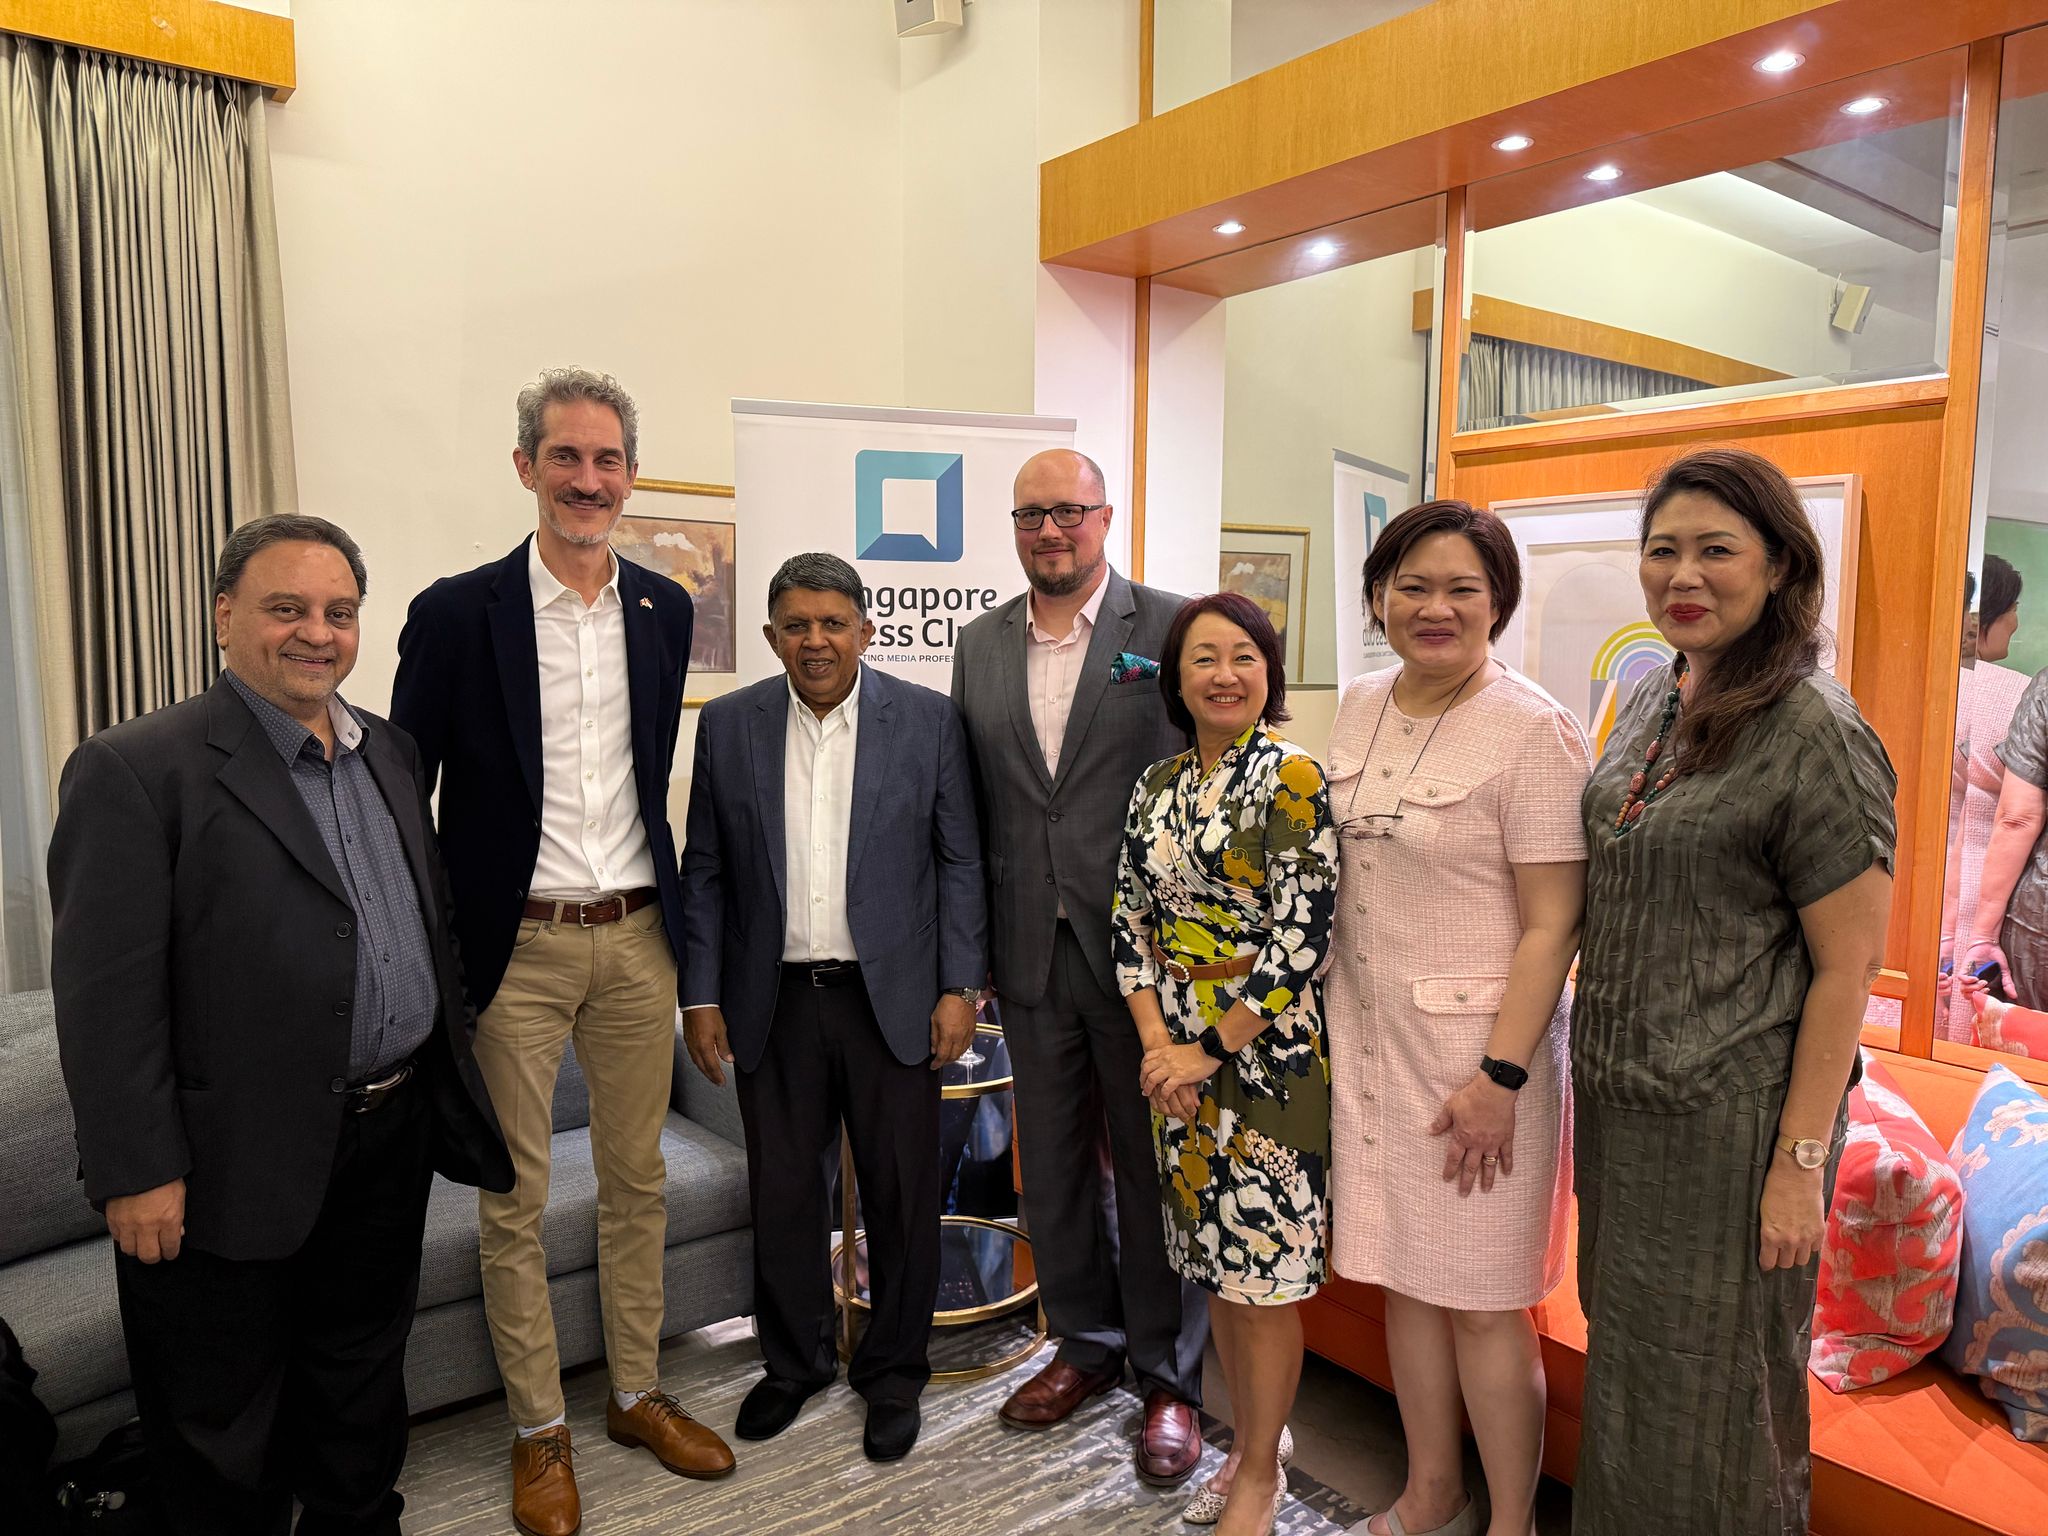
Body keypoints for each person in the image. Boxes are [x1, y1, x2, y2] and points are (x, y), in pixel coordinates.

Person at [47, 515, 513, 1535]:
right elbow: (103, 997)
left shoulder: (390, 751)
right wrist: (136, 1168)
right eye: (287, 608)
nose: (317, 633)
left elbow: (425, 921)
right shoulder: (135, 768)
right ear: (224, 616)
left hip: (387, 1138)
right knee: (220, 1424)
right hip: (225, 1160)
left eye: (339, 612)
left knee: (360, 1385)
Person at [390, 368, 729, 1536]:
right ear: (526, 466)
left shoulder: (665, 609)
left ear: (630, 475)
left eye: (607, 459)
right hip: (515, 951)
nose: (588, 479)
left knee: (639, 1183)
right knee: (514, 1199)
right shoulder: (455, 614)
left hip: (635, 938)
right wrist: (435, 956)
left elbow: (647, 772)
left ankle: (635, 1393)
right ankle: (538, 1429)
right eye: (566, 457)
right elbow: (405, 798)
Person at [1571, 446, 1895, 1536]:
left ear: (1778, 564)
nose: (1683, 575)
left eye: (1715, 550)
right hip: (1624, 1120)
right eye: (1662, 550)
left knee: (1717, 1405)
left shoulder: (1815, 729)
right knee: (1632, 1388)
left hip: (1733, 1133)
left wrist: (1798, 1166)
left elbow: (1848, 968)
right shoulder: (1653, 694)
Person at [679, 553, 987, 1463]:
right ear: (771, 635)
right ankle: (795, 1362)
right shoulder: (729, 724)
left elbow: (960, 861)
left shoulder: (927, 721)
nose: (815, 641)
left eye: (833, 623)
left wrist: (960, 988)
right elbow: (706, 870)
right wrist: (701, 993)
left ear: (865, 629)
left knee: (900, 1196)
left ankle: (893, 1373)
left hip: (892, 1001)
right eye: (796, 625)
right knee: (782, 1194)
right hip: (772, 1000)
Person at [1319, 501, 1588, 1536]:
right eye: (1412, 587)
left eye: (1461, 590)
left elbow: (1554, 923)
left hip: (1480, 1067)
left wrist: (1500, 1079)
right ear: (1379, 597)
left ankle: (1512, 1522)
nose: (1435, 608)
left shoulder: (1531, 729)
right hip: (1370, 1052)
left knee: (1481, 1303)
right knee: (1405, 1285)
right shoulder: (1358, 705)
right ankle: (1431, 1493)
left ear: (1497, 604)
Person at [949, 448, 1208, 1482]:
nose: (1049, 531)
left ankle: (1168, 1378)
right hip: (1027, 949)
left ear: (1104, 517)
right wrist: (968, 955)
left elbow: (1208, 773)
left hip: (1148, 959)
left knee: (1151, 1172)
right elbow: (973, 807)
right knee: (1050, 1171)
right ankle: (1085, 1348)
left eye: (1068, 511)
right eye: (1030, 515)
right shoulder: (978, 644)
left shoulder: (1172, 626)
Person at [1115, 591, 1337, 1536]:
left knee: (1263, 1279)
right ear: (1176, 678)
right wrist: (1158, 1049)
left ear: (1269, 672)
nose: (1225, 674)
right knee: (1216, 1268)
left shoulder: (1292, 776)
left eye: (1244, 655)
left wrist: (1204, 1052)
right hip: (1174, 1054)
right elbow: (1129, 924)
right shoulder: (1156, 785)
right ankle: (1257, 1442)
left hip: (1265, 1056)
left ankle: (1256, 1473)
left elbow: (1301, 942)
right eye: (1204, 657)